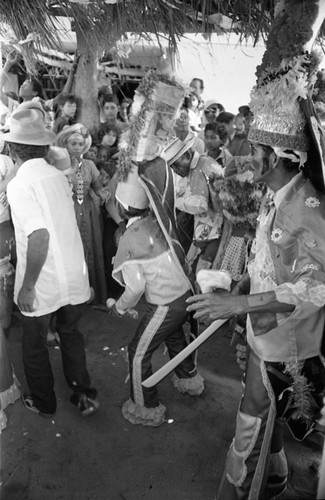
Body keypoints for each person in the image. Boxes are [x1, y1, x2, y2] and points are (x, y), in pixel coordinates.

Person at [187, 87, 325, 498]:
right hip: (266, 328)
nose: (247, 152)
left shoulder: (305, 207)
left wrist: (236, 304)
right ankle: (273, 472)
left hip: (288, 341)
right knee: (265, 410)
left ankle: (236, 485)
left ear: (283, 156)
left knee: (251, 412)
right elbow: (268, 260)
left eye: (257, 146)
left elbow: (314, 288)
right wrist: (242, 285)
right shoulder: (276, 193)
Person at [5, 107, 99, 418]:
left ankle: (44, 402)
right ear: (44, 146)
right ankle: (83, 393)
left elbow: (40, 237)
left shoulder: (19, 184)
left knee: (33, 345)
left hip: (44, 280)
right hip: (72, 274)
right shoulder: (58, 177)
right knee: (71, 333)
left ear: (11, 148)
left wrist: (28, 286)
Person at [111, 160, 204, 427]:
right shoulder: (156, 220)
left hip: (165, 304)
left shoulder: (128, 239)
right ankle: (189, 379)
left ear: (120, 207)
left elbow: (136, 287)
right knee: (174, 338)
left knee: (137, 352)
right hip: (183, 295)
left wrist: (119, 307)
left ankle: (145, 405)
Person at [55, 123, 109, 304]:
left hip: (88, 212)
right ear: (66, 145)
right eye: (73, 144)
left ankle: (91, 293)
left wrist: (105, 193)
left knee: (90, 248)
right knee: (71, 250)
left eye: (80, 144)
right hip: (66, 212)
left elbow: (98, 187)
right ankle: (72, 296)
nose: (77, 147)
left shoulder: (90, 165)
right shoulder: (58, 165)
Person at [0, 51, 78, 129]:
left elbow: (63, 94)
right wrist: (8, 64)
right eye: (22, 84)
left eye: (26, 85)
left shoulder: (42, 105)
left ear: (34, 92)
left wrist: (72, 71)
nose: (21, 86)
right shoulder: (15, 106)